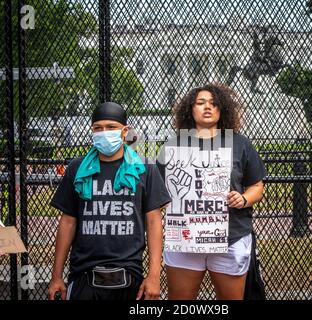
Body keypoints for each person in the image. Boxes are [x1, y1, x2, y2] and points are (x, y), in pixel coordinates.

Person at [48, 102, 171, 300]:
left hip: (130, 274)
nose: (104, 132)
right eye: (98, 128)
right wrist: (56, 276)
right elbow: (68, 221)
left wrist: (154, 275)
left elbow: (154, 222)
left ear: (124, 131)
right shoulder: (77, 168)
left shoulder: (144, 168)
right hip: (83, 274)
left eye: (111, 127)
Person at [157, 83, 266, 300]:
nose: (208, 107)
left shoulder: (240, 143)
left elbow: (257, 186)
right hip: (184, 240)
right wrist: (164, 213)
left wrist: (243, 199)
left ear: (222, 108)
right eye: (200, 103)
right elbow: (159, 192)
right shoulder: (172, 146)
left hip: (230, 237)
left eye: (214, 103)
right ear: (190, 109)